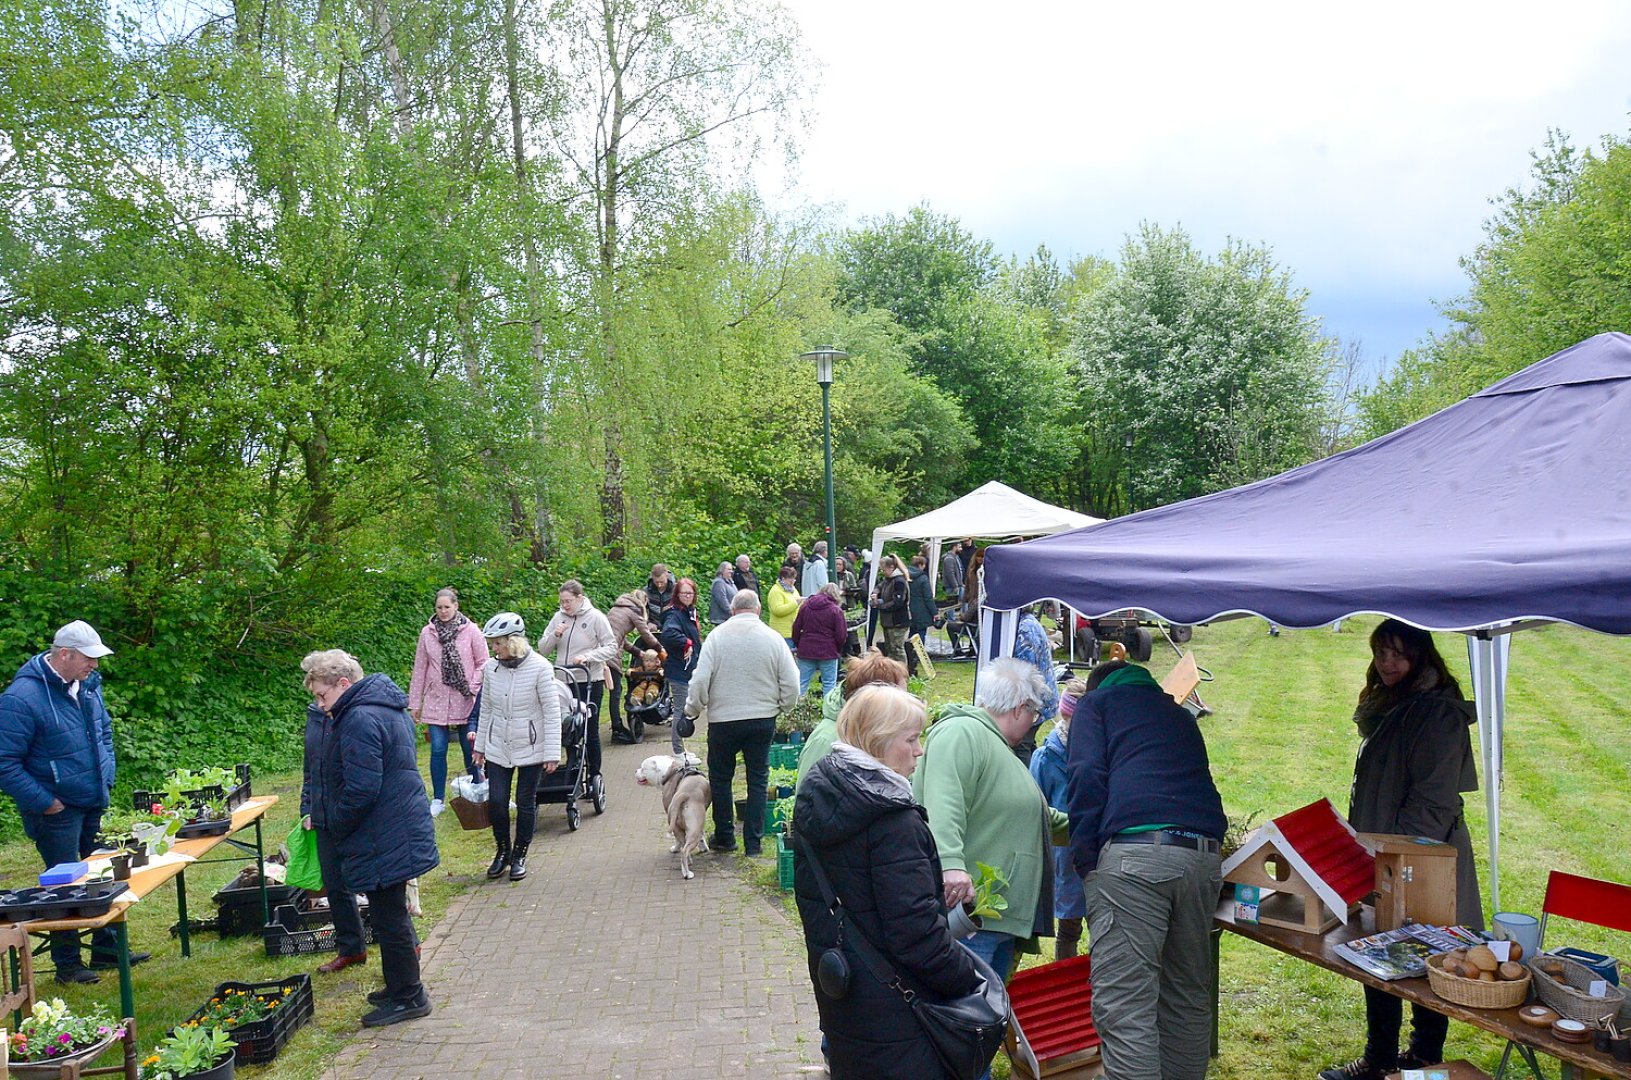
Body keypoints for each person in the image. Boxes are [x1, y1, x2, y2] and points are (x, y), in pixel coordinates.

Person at [1319, 620, 1482, 1080]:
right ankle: (1380, 1060)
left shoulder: (1438, 714)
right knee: (1381, 952)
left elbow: (1433, 802)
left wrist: (1398, 863)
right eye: (1380, 653)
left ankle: (1424, 1058)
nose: (1386, 663)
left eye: (1396, 654)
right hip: (1386, 852)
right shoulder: (1395, 705)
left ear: (1420, 656)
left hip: (1424, 859)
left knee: (1428, 954)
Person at [794, 684, 984, 1080]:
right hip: (900, 1012)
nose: (920, 750)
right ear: (879, 742)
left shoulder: (819, 793)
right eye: (912, 739)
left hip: (846, 995)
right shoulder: (893, 820)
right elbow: (916, 936)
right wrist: (972, 979)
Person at [1064, 657, 1225, 1080]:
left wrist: (1086, 859)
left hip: (1136, 859)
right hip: (1203, 856)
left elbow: (1084, 775)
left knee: (1125, 1006)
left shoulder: (1096, 706)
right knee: (1186, 997)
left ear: (1099, 686)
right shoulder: (1179, 715)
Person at [913, 656, 1069, 1043]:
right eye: (1033, 712)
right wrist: (951, 864)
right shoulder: (962, 733)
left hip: (995, 914)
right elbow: (942, 802)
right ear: (1020, 708)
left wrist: (1093, 828)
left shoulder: (997, 747)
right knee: (968, 1024)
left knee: (985, 1024)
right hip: (973, 914)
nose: (1034, 721)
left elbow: (1037, 815)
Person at [0, 621, 145, 984]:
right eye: (89, 657)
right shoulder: (21, 697)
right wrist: (46, 802)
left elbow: (104, 733)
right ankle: (67, 964)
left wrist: (106, 775)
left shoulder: (87, 687)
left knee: (100, 875)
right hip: (56, 811)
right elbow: (4, 762)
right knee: (63, 887)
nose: (95, 664)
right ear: (64, 654)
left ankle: (106, 951)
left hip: (92, 799)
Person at [301, 649, 440, 1026]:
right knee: (388, 913)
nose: (320, 704)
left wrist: (337, 820)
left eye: (322, 695)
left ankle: (410, 996)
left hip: (385, 829)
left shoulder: (359, 716)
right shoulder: (380, 706)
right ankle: (400, 986)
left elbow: (362, 788)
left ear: (343, 684)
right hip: (393, 825)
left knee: (391, 917)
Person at [685, 590, 799, 856]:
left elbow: (700, 680)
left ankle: (725, 836)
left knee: (721, 778)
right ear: (758, 610)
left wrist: (693, 710)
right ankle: (754, 843)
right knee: (758, 779)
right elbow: (791, 682)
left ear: (732, 611)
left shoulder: (717, 637)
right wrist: (782, 706)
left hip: (723, 719)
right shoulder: (773, 638)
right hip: (762, 718)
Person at [472, 613, 561, 882]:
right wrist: (480, 747)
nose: (493, 649)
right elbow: (485, 708)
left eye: (497, 643)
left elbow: (551, 711)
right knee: (497, 801)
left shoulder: (541, 667)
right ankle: (502, 851)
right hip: (499, 744)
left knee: (525, 801)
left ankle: (520, 854)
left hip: (531, 745)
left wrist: (552, 752)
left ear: (512, 642)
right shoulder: (491, 668)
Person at [407, 587, 488, 816]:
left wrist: (472, 686)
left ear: (456, 606)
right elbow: (420, 668)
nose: (443, 611)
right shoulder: (427, 634)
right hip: (437, 699)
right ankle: (438, 799)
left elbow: (484, 662)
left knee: (469, 747)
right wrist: (415, 702)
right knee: (438, 749)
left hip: (465, 698)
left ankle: (478, 788)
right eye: (439, 607)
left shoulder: (471, 631)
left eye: (447, 607)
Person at [1029, 679, 1088, 960]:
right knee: (1069, 925)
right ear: (1063, 717)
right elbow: (1034, 806)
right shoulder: (1045, 758)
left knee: (1104, 924)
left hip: (1097, 848)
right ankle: (1067, 977)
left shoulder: (1099, 751)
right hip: (1064, 855)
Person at [537, 580, 615, 780]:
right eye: (562, 601)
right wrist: (555, 635)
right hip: (564, 680)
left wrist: (588, 657)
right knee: (568, 726)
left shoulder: (596, 617)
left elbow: (611, 646)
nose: (565, 605)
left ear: (580, 598)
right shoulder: (558, 618)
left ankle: (594, 773)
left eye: (568, 601)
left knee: (589, 727)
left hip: (589, 679)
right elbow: (543, 649)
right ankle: (573, 768)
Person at [795, 649, 908, 788]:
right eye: (901, 698)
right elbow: (807, 798)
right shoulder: (826, 740)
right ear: (872, 699)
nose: (906, 705)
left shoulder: (881, 731)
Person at [603, 590, 664, 744]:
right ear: (642, 602)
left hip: (602, 649)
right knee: (615, 691)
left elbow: (621, 638)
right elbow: (646, 634)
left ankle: (616, 726)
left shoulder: (617, 608)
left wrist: (640, 654)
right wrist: (660, 649)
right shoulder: (634, 610)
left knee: (608, 691)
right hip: (610, 653)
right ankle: (617, 728)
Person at [1010, 608, 1060, 764]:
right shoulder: (1029, 622)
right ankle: (1038, 777)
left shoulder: (1024, 630)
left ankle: (1026, 782)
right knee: (1028, 743)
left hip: (1036, 699)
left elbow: (1026, 672)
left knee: (1021, 746)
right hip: (1043, 695)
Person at [660, 576, 703, 755]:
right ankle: (678, 751)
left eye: (690, 593)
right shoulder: (674, 614)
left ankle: (682, 749)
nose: (687, 596)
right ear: (677, 594)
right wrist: (686, 642)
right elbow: (668, 634)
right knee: (679, 711)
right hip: (679, 670)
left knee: (684, 709)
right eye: (684, 593)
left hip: (688, 668)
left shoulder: (688, 612)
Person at [791, 582, 847, 697]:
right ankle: (827, 711)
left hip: (806, 649)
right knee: (829, 684)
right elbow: (841, 635)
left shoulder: (805, 606)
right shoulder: (836, 610)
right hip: (828, 651)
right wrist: (837, 648)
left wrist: (799, 645)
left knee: (802, 683)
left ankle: (798, 710)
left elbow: (796, 628)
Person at [872, 554, 910, 664]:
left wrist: (880, 606)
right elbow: (880, 586)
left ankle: (902, 673)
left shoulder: (899, 581)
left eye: (883, 570)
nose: (882, 572)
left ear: (891, 567)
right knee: (890, 648)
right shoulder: (888, 579)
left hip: (897, 621)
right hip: (888, 621)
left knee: (897, 649)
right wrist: (875, 593)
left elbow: (898, 602)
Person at [906, 554, 937, 675]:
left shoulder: (905, 575)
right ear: (921, 565)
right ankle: (919, 656)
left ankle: (909, 654)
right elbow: (928, 597)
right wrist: (934, 612)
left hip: (909, 609)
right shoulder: (923, 579)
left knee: (911, 633)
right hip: (921, 610)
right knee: (921, 634)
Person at [766, 564, 802, 645]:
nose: (793, 581)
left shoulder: (793, 589)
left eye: (794, 578)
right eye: (790, 578)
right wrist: (796, 603)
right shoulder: (776, 591)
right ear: (783, 578)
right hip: (781, 632)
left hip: (793, 630)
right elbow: (777, 610)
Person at [709, 561, 738, 625]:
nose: (731, 571)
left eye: (731, 569)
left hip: (731, 618)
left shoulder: (731, 582)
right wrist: (732, 612)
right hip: (721, 620)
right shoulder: (719, 582)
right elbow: (722, 600)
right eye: (729, 569)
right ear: (722, 570)